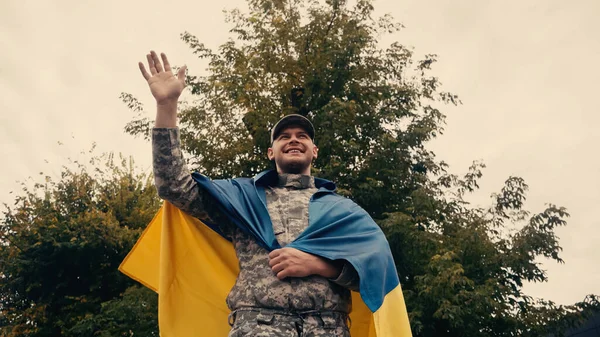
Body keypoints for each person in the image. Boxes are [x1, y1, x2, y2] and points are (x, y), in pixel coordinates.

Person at [138, 51, 400, 337]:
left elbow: (376, 274)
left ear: (314, 151)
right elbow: (174, 187)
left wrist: (319, 265)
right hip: (257, 326)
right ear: (270, 151)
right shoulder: (242, 198)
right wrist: (167, 107)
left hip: (328, 328)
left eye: (302, 136)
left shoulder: (344, 211)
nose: (293, 140)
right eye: (284, 137)